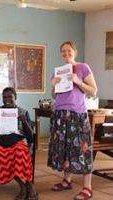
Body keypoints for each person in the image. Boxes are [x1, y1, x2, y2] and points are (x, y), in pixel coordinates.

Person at [49, 41, 97, 200]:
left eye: (69, 50)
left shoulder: (83, 68)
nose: (66, 53)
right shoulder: (58, 71)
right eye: (63, 51)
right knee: (64, 148)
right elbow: (55, 95)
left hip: (77, 114)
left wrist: (78, 81)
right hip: (59, 114)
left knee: (82, 150)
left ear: (75, 52)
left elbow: (93, 91)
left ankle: (87, 187)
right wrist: (53, 86)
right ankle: (67, 180)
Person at [0, 87, 38, 200]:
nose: (7, 99)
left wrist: (24, 122)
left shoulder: (23, 112)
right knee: (1, 156)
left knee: (20, 153)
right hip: (0, 142)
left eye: (10, 97)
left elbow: (30, 137)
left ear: (15, 97)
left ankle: (30, 184)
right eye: (4, 97)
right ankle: (23, 185)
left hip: (18, 141)